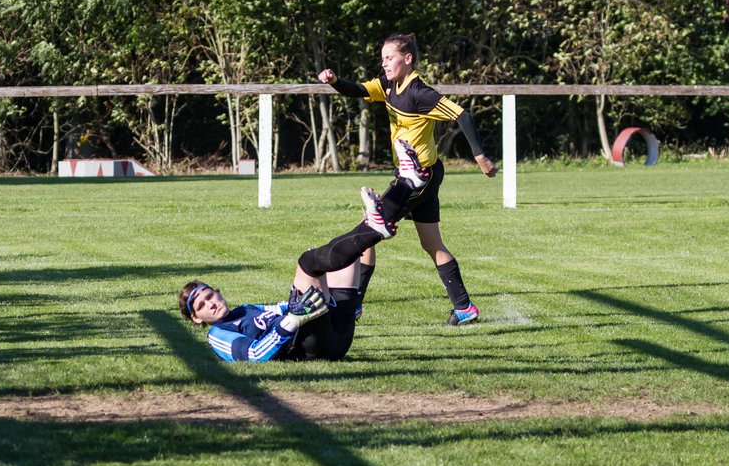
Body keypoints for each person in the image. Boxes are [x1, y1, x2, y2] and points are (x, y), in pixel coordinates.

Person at [317, 32, 497, 326]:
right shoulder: (388, 85)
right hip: (421, 174)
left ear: (408, 58)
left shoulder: (420, 94)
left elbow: (462, 115)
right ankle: (464, 307)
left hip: (418, 178)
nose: (384, 64)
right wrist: (335, 81)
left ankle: (354, 304)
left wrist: (479, 156)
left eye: (389, 58)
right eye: (382, 59)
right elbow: (358, 90)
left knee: (368, 228)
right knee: (431, 243)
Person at [179, 252, 367, 363]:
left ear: (218, 293)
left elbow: (282, 308)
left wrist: (294, 306)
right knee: (311, 261)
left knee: (350, 256)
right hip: (313, 345)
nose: (211, 304)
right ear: (196, 318)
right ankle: (374, 225)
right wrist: (291, 321)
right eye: (202, 305)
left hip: (339, 337)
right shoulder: (218, 334)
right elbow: (254, 354)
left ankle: (374, 223)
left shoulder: (245, 309)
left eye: (210, 296)